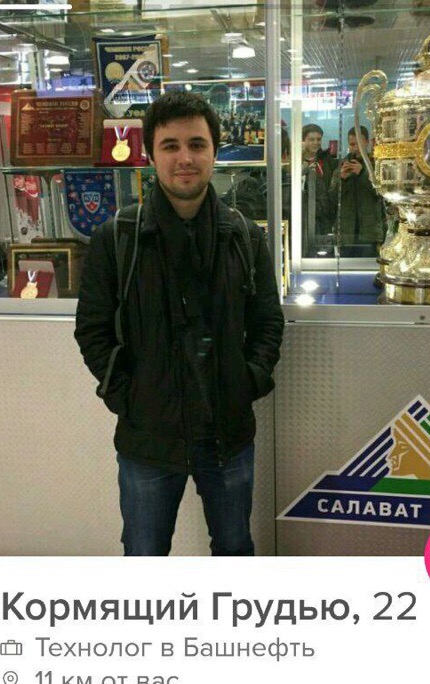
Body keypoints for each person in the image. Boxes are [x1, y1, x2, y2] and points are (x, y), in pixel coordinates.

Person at [74, 92, 284, 556]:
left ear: (214, 152)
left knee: (234, 549)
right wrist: (126, 395)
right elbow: (91, 329)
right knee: (145, 554)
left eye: (196, 144)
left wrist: (248, 380)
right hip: (147, 439)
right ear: (151, 154)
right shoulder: (116, 239)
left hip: (228, 435)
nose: (184, 158)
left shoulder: (246, 237)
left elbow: (268, 322)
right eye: (170, 146)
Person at [329, 125, 385, 256]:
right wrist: (342, 179)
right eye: (352, 144)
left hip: (370, 233)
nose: (355, 148)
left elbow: (381, 194)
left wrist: (363, 173)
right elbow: (332, 198)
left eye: (359, 144)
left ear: (367, 142)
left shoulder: (376, 165)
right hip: (346, 234)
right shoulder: (341, 166)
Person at [301, 122, 336, 252]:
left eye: (318, 139)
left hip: (324, 218)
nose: (316, 142)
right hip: (302, 216)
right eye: (311, 139)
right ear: (303, 141)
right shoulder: (294, 162)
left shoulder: (327, 161)